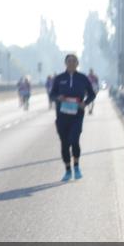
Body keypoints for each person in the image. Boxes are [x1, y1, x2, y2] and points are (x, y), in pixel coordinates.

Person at [49, 54, 97, 182]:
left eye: (74, 61)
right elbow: (52, 94)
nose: (71, 63)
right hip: (62, 115)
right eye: (69, 61)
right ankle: (67, 170)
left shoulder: (82, 78)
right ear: (65, 63)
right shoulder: (59, 78)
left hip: (77, 115)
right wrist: (57, 98)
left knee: (74, 140)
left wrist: (85, 103)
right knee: (64, 143)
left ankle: (76, 166)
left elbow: (92, 94)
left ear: (77, 63)